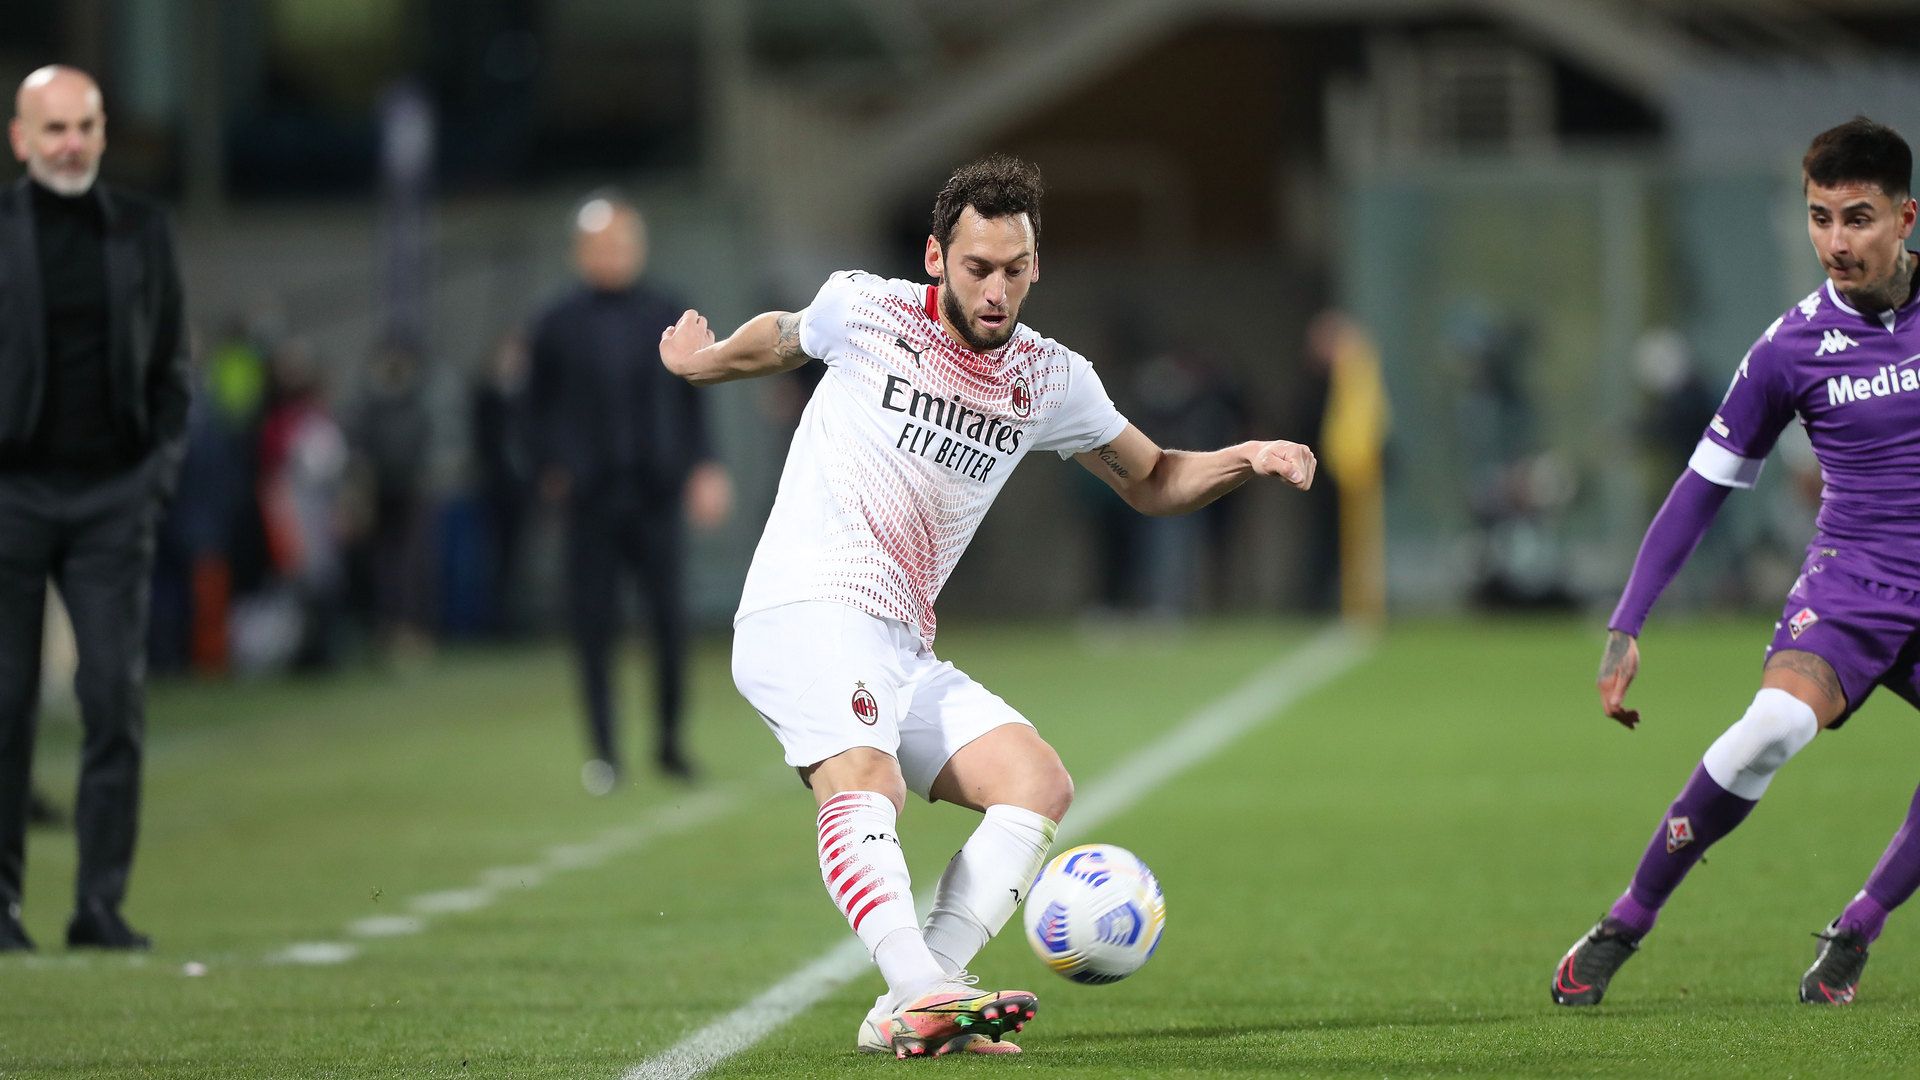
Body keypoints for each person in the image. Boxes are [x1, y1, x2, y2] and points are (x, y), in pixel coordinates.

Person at [658, 155, 1317, 1057]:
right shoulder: (868, 308)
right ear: (936, 257)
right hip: (804, 606)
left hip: (897, 638)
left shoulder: (1052, 380)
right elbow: (781, 336)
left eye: (1015, 269)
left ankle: (917, 997)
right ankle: (924, 990)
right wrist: (701, 363)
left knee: (1035, 784)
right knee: (868, 778)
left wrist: (1244, 455)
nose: (997, 288)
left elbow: (1155, 478)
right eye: (978, 268)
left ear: (1035, 267)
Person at [1552, 117, 1920, 1008]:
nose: (1836, 241)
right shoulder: (1788, 349)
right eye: (1820, 217)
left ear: (1906, 217)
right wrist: (1627, 621)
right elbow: (1700, 489)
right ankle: (1626, 921)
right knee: (1771, 730)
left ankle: (1858, 927)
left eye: (1858, 217)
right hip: (1853, 583)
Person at [0, 66, 190, 951]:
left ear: (104, 131)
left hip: (115, 498)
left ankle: (98, 905)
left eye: (84, 125)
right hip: (11, 496)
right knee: (4, 707)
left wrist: (153, 476)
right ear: (20, 139)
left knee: (114, 698)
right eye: (54, 130)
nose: (71, 143)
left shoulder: (142, 228)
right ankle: (1, 909)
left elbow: (172, 370)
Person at [528, 193, 731, 793]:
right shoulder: (556, 323)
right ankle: (605, 754)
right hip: (590, 500)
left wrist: (705, 466)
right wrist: (551, 466)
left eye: (621, 243)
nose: (612, 255)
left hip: (656, 493)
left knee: (669, 623)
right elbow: (533, 410)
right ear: (580, 252)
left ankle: (669, 745)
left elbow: (696, 393)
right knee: (594, 628)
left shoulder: (666, 312)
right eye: (600, 245)